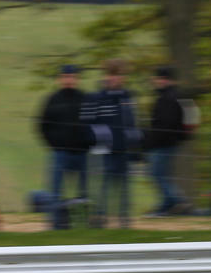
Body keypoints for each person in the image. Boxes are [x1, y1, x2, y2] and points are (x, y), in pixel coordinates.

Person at [85, 59, 139, 229]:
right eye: (111, 75)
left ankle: (124, 219)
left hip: (123, 148)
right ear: (106, 76)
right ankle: (100, 216)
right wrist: (98, 143)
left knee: (124, 186)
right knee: (103, 185)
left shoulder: (127, 98)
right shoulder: (99, 97)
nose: (115, 79)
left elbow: (132, 123)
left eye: (118, 75)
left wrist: (134, 145)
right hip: (104, 149)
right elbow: (91, 122)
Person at [37, 65, 91, 229]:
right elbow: (42, 126)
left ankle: (82, 222)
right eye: (66, 77)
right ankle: (55, 224)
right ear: (60, 79)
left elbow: (93, 124)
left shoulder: (85, 99)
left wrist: (87, 143)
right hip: (60, 153)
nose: (69, 80)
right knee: (56, 191)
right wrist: (54, 144)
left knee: (84, 192)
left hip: (82, 153)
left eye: (72, 77)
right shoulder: (52, 99)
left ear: (77, 79)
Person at [143, 66, 187, 216]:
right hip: (168, 142)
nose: (159, 81)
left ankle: (177, 200)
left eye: (162, 78)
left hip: (163, 143)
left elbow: (164, 124)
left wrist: (151, 141)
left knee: (156, 174)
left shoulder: (168, 98)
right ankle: (166, 206)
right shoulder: (171, 96)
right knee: (162, 174)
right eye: (158, 78)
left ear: (168, 80)